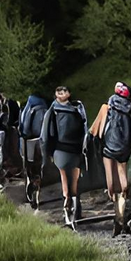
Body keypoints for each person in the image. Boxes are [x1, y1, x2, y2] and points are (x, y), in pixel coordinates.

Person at [90, 82, 131, 236]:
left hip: (108, 147)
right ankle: (122, 214)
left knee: (110, 180)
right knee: (122, 175)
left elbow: (96, 131)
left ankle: (117, 214)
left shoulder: (107, 106)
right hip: (125, 148)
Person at [40, 85, 89, 228]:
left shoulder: (52, 110)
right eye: (59, 91)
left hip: (60, 150)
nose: (61, 93)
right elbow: (85, 130)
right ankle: (74, 211)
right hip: (76, 149)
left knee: (65, 181)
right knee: (74, 182)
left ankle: (68, 213)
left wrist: (46, 154)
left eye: (63, 91)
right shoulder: (78, 109)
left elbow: (45, 136)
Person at [17, 92, 49, 209]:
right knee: (39, 168)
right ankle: (38, 192)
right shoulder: (46, 108)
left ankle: (31, 195)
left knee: (29, 168)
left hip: (29, 142)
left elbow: (25, 127)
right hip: (42, 141)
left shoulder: (29, 108)